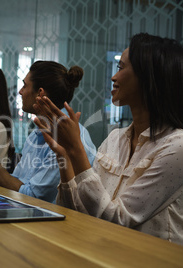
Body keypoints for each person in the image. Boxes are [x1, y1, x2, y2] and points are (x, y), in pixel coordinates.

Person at [33, 33, 183, 245]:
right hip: (103, 251)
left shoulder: (177, 146)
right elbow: (74, 211)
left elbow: (117, 220)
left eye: (121, 68)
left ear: (149, 77)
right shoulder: (115, 138)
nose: (113, 77)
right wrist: (65, 157)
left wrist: (76, 149)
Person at [0, 61, 96, 203]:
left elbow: (33, 198)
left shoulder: (66, 139)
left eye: (24, 85)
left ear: (40, 93)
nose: (20, 92)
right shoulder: (36, 135)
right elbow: (15, 181)